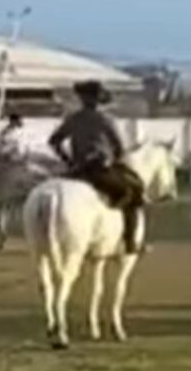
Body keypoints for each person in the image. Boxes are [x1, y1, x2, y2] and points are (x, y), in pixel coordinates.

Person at [49, 80, 144, 253]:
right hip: (99, 169)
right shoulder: (105, 120)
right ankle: (129, 242)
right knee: (133, 189)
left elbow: (54, 142)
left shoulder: (73, 119)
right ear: (98, 100)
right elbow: (119, 148)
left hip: (76, 170)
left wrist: (68, 160)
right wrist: (114, 160)